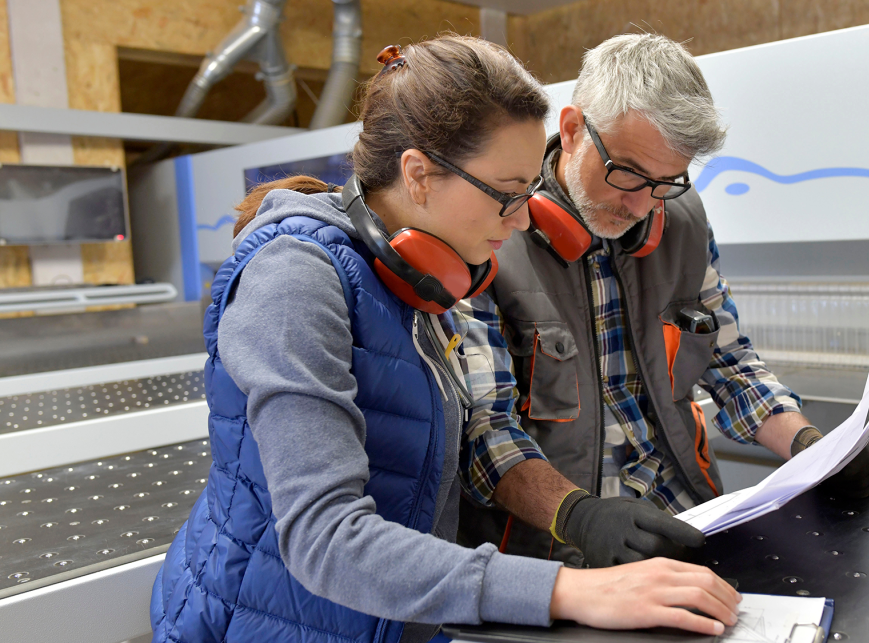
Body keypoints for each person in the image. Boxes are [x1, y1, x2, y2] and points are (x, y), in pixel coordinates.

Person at [150, 35, 741, 643]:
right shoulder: (294, 279)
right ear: (419, 174)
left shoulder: (425, 277)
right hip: (272, 623)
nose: (522, 220)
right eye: (510, 195)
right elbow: (324, 538)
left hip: (395, 617)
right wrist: (572, 590)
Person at [455, 33, 869, 568]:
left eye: (665, 181)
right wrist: (580, 517)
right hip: (558, 546)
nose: (640, 204)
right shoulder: (487, 239)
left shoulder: (680, 221)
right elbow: (484, 432)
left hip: (688, 519)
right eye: (627, 172)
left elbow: (730, 363)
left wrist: (812, 447)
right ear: (571, 130)